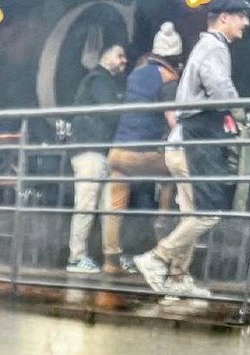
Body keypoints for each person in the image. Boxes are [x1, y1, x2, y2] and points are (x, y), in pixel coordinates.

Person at [134, 0, 250, 299]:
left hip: (182, 142)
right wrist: (240, 115)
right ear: (224, 18)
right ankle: (157, 258)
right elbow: (220, 89)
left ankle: (176, 277)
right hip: (193, 143)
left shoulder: (203, 47)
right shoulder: (215, 47)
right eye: (241, 17)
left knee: (193, 216)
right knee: (208, 213)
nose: (245, 23)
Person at [102, 23, 183, 276]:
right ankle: (163, 251)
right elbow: (173, 122)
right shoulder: (168, 79)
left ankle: (110, 261)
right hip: (144, 153)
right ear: (175, 57)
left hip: (117, 151)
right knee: (174, 172)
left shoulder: (136, 73)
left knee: (114, 207)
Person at [66, 43, 127, 274]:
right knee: (88, 203)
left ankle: (107, 258)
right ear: (105, 56)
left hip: (94, 150)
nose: (124, 60)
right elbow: (111, 112)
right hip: (91, 150)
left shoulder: (97, 81)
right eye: (119, 55)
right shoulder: (99, 81)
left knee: (102, 206)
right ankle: (76, 257)